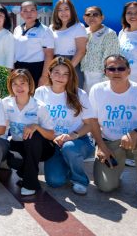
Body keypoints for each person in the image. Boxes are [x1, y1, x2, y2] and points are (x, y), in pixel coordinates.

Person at [90, 54, 137, 207]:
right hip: (110, 143)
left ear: (129, 71)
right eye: (111, 69)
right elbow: (92, 122)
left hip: (135, 142)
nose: (116, 72)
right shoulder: (97, 90)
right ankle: (117, 170)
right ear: (105, 72)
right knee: (105, 187)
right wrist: (101, 146)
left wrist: (136, 132)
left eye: (121, 68)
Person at [34, 57, 96, 195]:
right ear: (49, 73)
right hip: (53, 142)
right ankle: (67, 164)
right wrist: (50, 137)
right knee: (54, 181)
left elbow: (89, 125)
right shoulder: (41, 92)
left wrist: (72, 135)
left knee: (69, 148)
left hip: (77, 140)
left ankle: (80, 180)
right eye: (56, 72)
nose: (60, 77)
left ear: (70, 76)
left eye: (65, 74)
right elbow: (36, 120)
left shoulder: (79, 94)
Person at [2, 69, 55, 196]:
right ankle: (24, 171)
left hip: (40, 148)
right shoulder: (5, 103)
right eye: (15, 84)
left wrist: (36, 127)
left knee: (33, 136)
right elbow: (2, 129)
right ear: (10, 86)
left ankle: (30, 183)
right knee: (10, 158)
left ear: (30, 84)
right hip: (18, 144)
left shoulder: (40, 106)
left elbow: (51, 135)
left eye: (23, 83)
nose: (19, 87)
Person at [13, 1, 54, 87]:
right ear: (21, 13)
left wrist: (44, 76)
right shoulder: (17, 29)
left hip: (36, 68)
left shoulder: (44, 30)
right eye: (25, 10)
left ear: (37, 12)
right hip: (19, 68)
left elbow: (49, 54)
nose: (29, 13)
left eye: (32, 10)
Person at [81, 6, 120, 93]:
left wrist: (106, 81)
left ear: (102, 17)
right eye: (88, 15)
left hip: (99, 77)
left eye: (95, 14)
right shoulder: (83, 32)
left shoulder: (109, 34)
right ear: (84, 18)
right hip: (83, 75)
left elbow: (112, 61)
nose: (91, 17)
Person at [50, 0, 87, 85]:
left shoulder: (78, 27)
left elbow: (81, 51)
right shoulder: (52, 27)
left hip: (72, 64)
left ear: (72, 11)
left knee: (72, 92)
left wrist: (67, 69)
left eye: (66, 9)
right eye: (60, 10)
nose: (63, 13)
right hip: (55, 63)